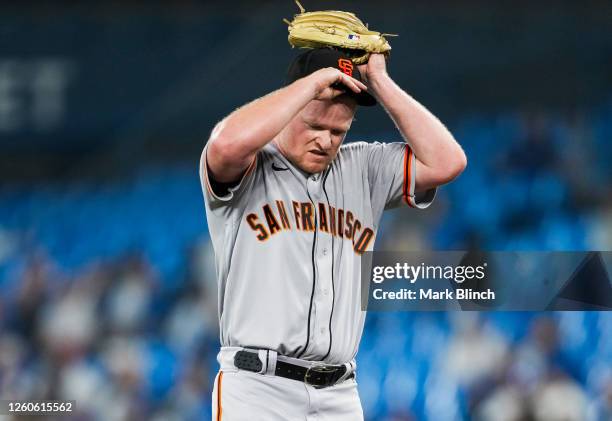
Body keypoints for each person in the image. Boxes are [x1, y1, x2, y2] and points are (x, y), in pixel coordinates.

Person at [200, 48, 466, 420]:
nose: (326, 140)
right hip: (259, 388)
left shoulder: (364, 167)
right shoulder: (251, 164)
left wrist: (380, 83)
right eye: (315, 126)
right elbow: (224, 145)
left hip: (339, 392)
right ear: (291, 106)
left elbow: (448, 161)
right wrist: (311, 83)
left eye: (337, 131)